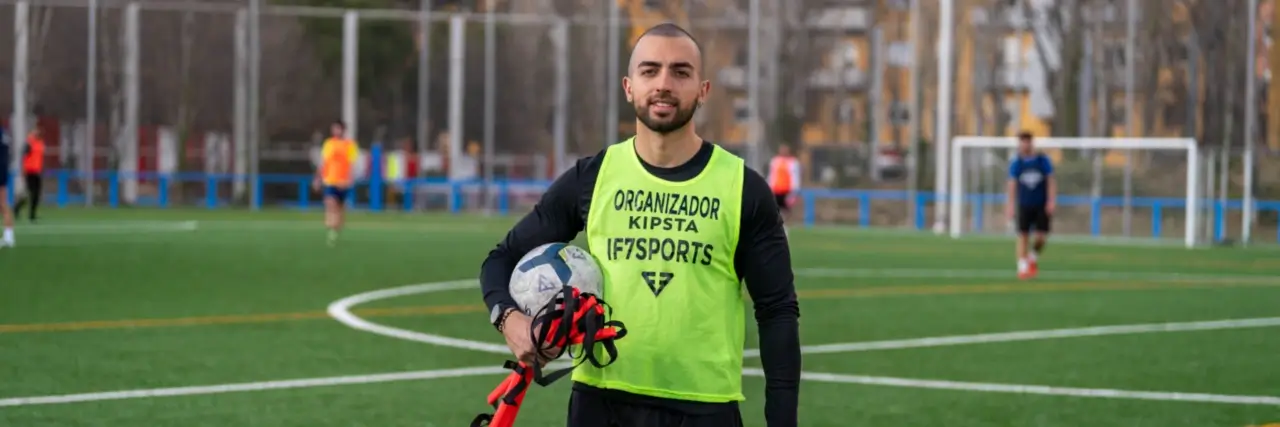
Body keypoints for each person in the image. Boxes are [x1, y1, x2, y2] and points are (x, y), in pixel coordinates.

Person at [478, 23, 800, 427]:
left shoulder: (743, 188)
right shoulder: (593, 177)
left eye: (680, 72)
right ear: (629, 87)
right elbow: (501, 258)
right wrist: (510, 319)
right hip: (601, 404)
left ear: (703, 90)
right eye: (650, 71)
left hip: (704, 409)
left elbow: (777, 314)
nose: (664, 84)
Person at [1005, 131, 1055, 279]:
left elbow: (1051, 181)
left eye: (1027, 141)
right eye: (1022, 142)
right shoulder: (1017, 163)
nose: (1024, 144)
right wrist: (1010, 205)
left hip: (1040, 204)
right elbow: (1012, 184)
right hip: (1024, 204)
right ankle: (1022, 268)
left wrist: (1051, 201)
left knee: (1041, 237)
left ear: (1031, 143)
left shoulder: (1042, 160)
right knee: (1023, 235)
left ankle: (1032, 258)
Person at [313, 120, 358, 246]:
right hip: (330, 180)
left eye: (338, 128)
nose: (335, 131)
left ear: (343, 130)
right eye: (334, 129)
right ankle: (331, 227)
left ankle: (335, 230)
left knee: (340, 210)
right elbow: (323, 163)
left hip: (344, 182)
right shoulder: (329, 144)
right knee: (330, 204)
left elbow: (352, 164)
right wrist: (317, 178)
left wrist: (351, 178)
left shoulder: (350, 145)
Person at [13, 127, 45, 224]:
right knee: (31, 193)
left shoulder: (40, 143)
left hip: (37, 172)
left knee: (36, 194)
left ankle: (29, 213)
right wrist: (23, 170)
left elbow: (39, 159)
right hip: (29, 171)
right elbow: (24, 158)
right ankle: (21, 209)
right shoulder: (29, 143)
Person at [766, 144, 801, 229]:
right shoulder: (775, 161)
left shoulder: (793, 162)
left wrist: (794, 191)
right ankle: (777, 227)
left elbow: (795, 177)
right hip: (776, 190)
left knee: (786, 211)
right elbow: (772, 175)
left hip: (787, 190)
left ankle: (785, 228)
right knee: (775, 210)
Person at [0, 124, 14, 247]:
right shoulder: (5, 133)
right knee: (2, 204)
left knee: (2, 204)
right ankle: (9, 236)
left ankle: (9, 237)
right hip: (3, 170)